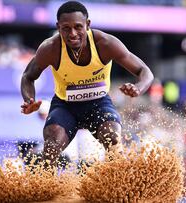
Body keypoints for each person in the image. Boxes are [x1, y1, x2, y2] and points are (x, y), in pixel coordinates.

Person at [20, 1, 154, 167]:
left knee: (112, 136)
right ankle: (48, 189)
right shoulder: (50, 49)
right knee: (51, 145)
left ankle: (117, 182)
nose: (73, 33)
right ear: (58, 27)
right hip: (65, 106)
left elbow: (144, 71)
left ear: (87, 25)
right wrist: (29, 99)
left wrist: (138, 88)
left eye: (78, 27)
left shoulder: (105, 44)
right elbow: (28, 76)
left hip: (98, 104)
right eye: (66, 28)